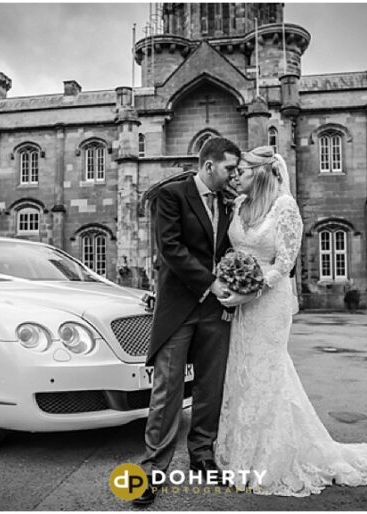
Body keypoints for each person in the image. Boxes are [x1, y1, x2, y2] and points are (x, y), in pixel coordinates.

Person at [215, 146, 367, 496]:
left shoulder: (285, 207)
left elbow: (284, 263)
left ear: (260, 172)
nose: (235, 176)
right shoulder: (240, 204)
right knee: (241, 369)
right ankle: (241, 451)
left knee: (267, 370)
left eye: (241, 171)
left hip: (267, 302)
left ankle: (272, 456)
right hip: (242, 305)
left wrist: (251, 290)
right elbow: (234, 251)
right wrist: (229, 281)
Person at [135, 137, 241, 506]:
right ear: (209, 165)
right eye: (229, 168)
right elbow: (171, 248)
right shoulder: (171, 195)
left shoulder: (229, 202)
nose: (234, 175)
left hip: (216, 310)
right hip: (178, 308)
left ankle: (202, 455)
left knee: (210, 386)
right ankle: (153, 470)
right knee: (167, 390)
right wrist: (211, 283)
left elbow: (231, 250)